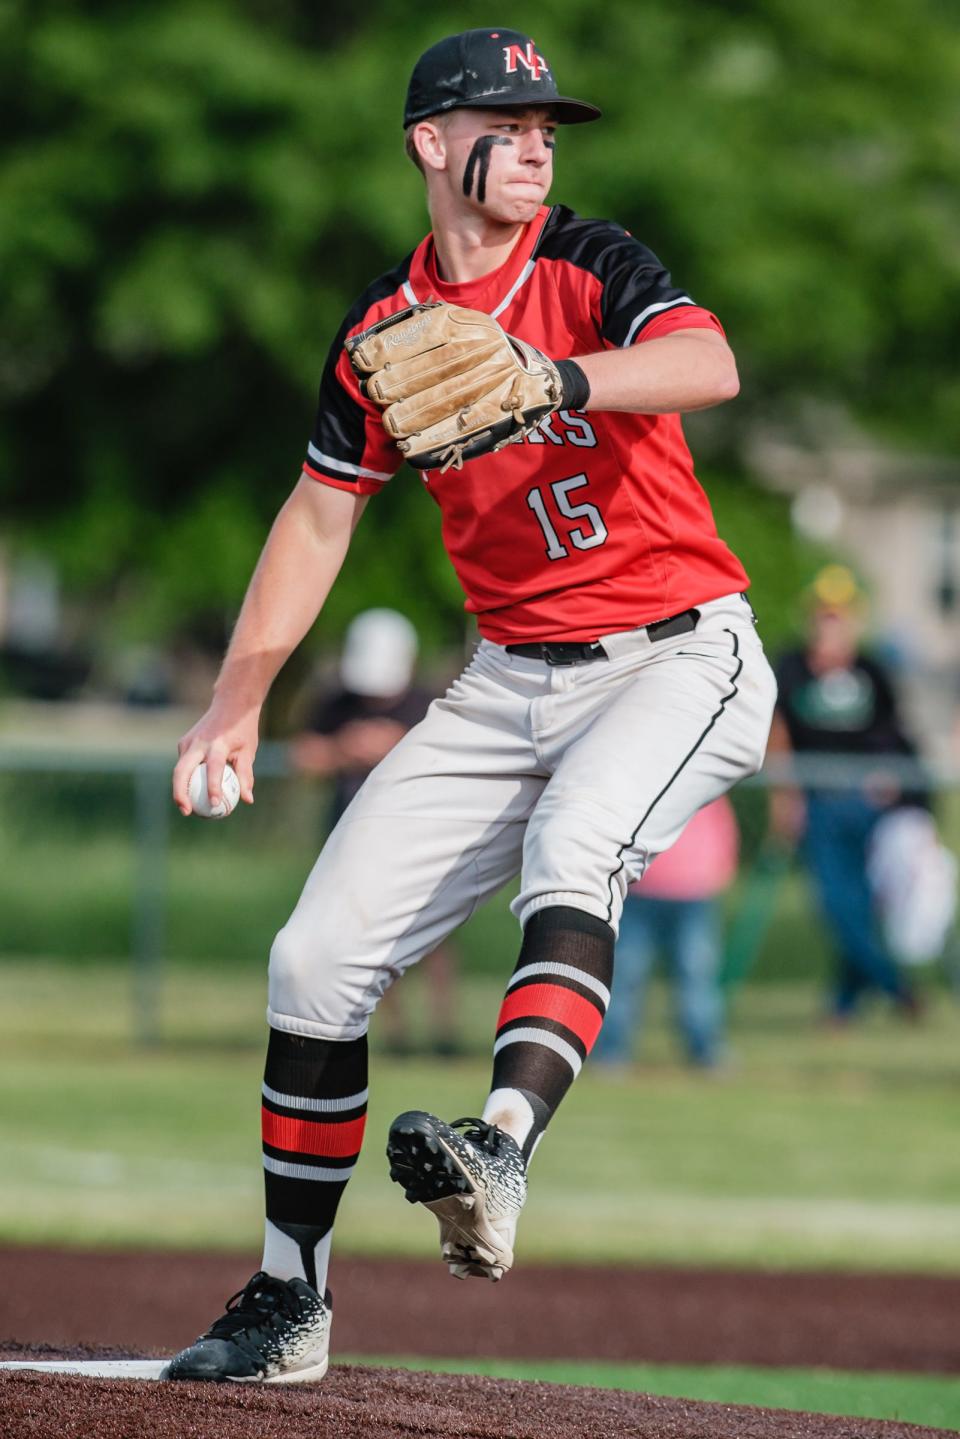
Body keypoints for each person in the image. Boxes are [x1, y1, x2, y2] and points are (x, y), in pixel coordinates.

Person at [168, 27, 778, 1384]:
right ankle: (289, 1299)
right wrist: (237, 697)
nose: (540, 135)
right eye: (507, 115)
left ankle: (501, 1141)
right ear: (432, 144)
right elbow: (320, 516)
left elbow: (707, 363)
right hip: (507, 677)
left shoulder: (590, 264)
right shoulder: (382, 332)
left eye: (551, 117)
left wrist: (554, 376)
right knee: (313, 959)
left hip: (679, 653)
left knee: (578, 850)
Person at [291, 608, 462, 1056]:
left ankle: (444, 1033)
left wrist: (396, 747)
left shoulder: (432, 702)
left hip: (422, 839)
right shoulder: (335, 702)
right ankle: (391, 1034)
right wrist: (343, 750)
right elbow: (303, 757)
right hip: (352, 842)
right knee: (368, 941)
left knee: (435, 940)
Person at [768, 564, 926, 1021]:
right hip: (820, 801)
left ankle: (843, 1005)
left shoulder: (873, 669)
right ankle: (895, 986)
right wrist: (786, 795)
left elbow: (896, 734)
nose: (830, 623)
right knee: (837, 903)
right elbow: (777, 733)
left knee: (867, 903)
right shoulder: (792, 665)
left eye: (840, 614)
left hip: (871, 803)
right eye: (824, 613)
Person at [593, 796, 739, 1069]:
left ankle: (704, 1047)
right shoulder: (641, 784)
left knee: (696, 972)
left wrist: (721, 869)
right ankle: (611, 1050)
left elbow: (723, 829)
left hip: (694, 891)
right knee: (625, 972)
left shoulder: (706, 786)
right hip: (641, 890)